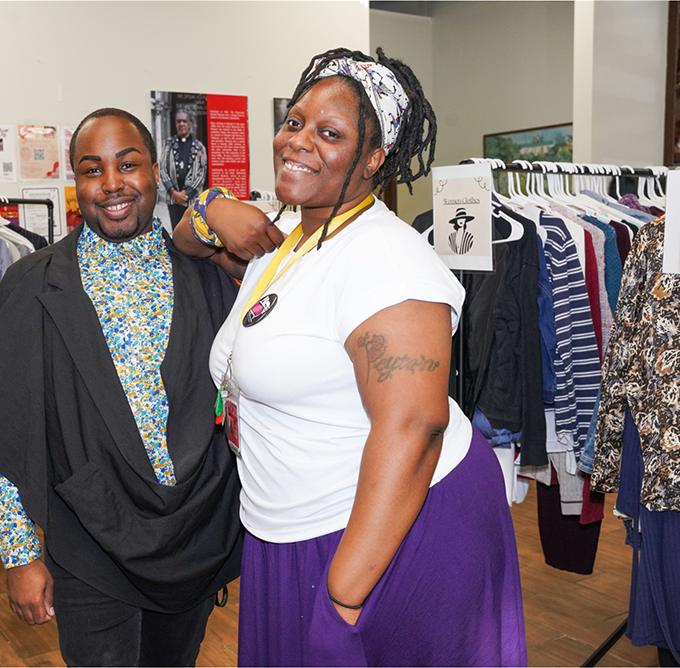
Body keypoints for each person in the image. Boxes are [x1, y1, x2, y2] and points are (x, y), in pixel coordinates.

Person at [173, 48, 527, 666]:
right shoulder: (288, 236)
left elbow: (414, 427)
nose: (299, 141)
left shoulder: (384, 258)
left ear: (373, 159)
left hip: (386, 530)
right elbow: (187, 242)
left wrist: (344, 593)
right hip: (288, 524)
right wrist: (209, 207)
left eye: (329, 133)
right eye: (295, 121)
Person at [0, 108, 243, 667]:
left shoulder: (210, 276)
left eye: (129, 164)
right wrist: (20, 555)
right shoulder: (32, 285)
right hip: (87, 539)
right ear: (76, 184)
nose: (113, 184)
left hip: (191, 536)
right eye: (93, 170)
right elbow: (3, 429)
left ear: (153, 173)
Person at [159, 109, 208, 227]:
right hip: (173, 198)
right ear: (175, 124)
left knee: (191, 231)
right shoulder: (168, 144)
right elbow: (162, 169)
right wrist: (173, 192)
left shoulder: (199, 147)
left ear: (190, 124)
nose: (181, 124)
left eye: (184, 121)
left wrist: (186, 193)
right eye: (178, 121)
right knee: (176, 231)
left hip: (191, 199)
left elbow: (202, 173)